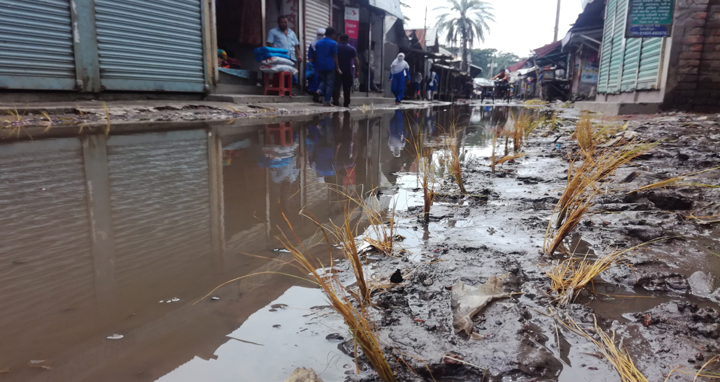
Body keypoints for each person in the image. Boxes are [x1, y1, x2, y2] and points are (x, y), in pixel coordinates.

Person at [314, 27, 342, 106]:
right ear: (333, 34)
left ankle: (318, 90)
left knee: (323, 80)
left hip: (320, 65)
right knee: (329, 83)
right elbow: (335, 56)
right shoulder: (333, 43)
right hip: (329, 65)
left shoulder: (318, 43)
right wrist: (338, 68)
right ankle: (327, 101)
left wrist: (316, 65)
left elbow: (315, 55)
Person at [333, 34, 360, 107]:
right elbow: (356, 60)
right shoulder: (351, 48)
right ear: (347, 40)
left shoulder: (336, 47)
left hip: (336, 69)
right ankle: (346, 102)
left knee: (336, 86)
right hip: (347, 70)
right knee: (347, 87)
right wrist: (357, 71)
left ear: (339, 39)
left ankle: (335, 101)